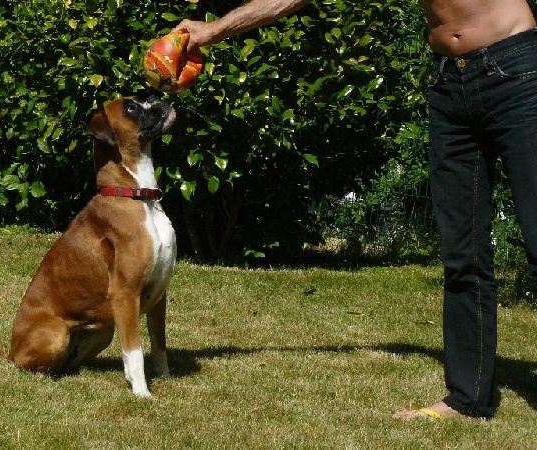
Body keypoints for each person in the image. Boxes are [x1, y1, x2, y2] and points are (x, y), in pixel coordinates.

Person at [173, 0, 537, 420]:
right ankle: (468, 399)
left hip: (517, 71)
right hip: (450, 85)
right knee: (462, 255)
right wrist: (210, 32)